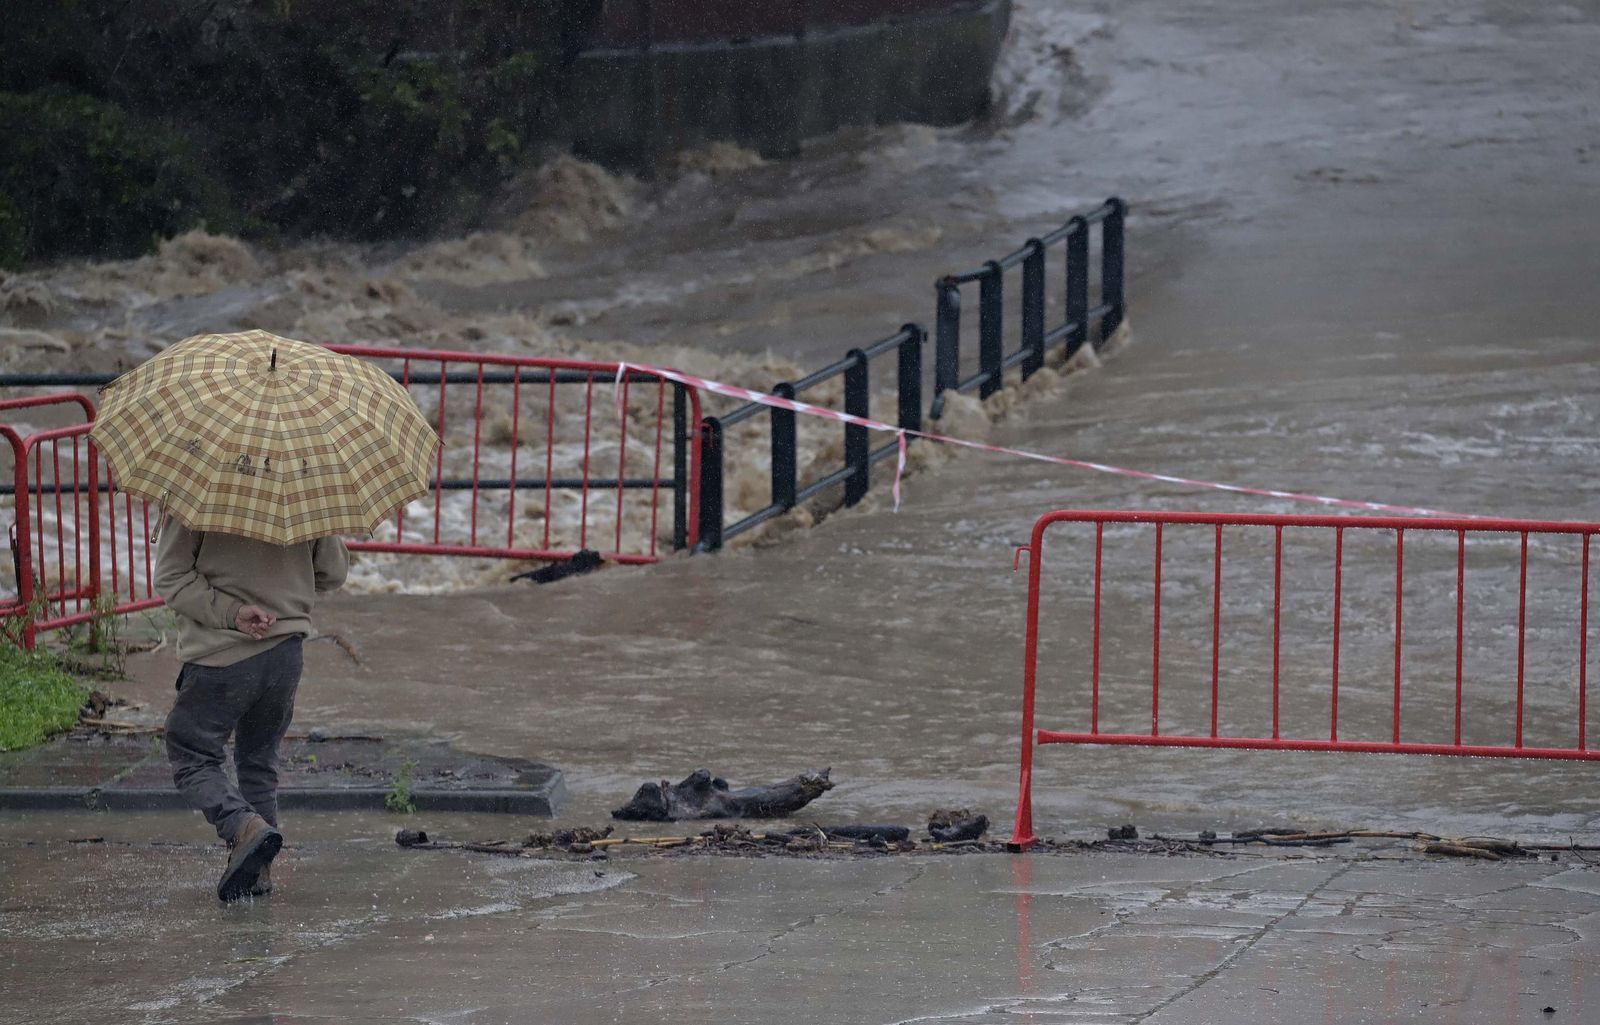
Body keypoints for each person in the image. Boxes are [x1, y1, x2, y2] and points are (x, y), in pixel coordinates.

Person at [154, 517, 348, 902]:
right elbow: (332, 573)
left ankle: (243, 826)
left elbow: (172, 577)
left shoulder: (196, 492)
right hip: (285, 654)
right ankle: (256, 874)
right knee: (258, 760)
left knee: (191, 754)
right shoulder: (304, 487)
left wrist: (232, 612)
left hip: (219, 655)